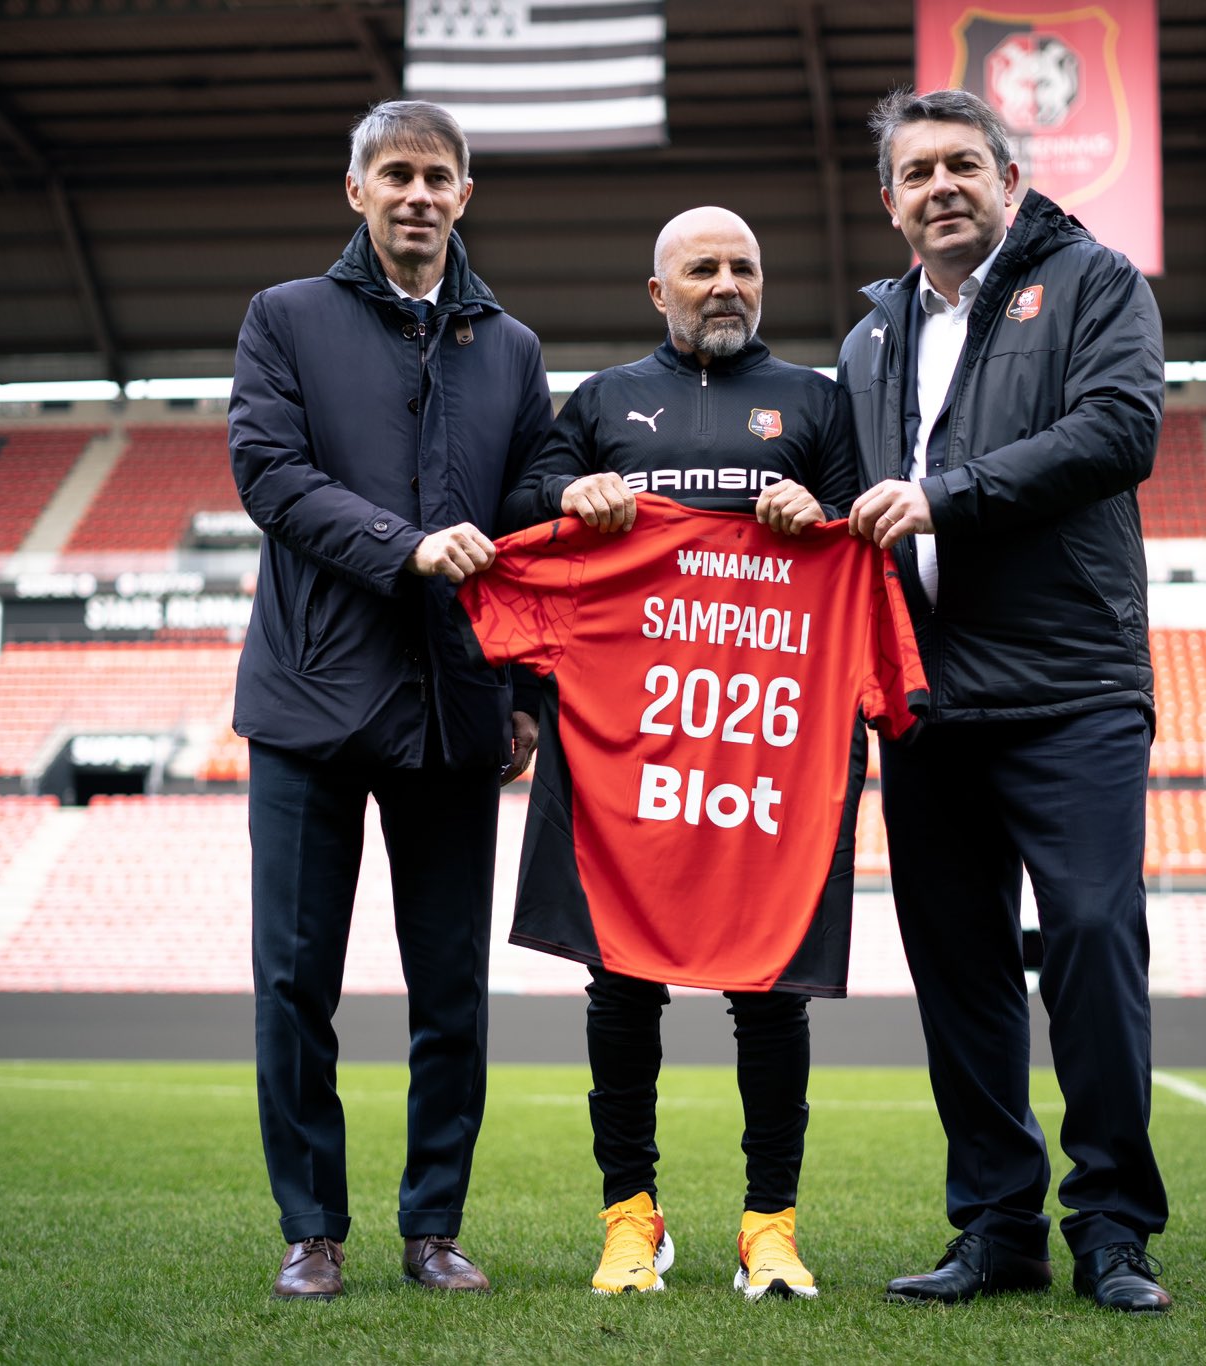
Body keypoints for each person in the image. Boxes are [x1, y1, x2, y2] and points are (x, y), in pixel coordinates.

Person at [838, 87, 1172, 1312]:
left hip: (1071, 680)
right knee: (958, 965)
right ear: (890, 204)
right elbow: (840, 497)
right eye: (916, 172)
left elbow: (1118, 431)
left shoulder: (1093, 282)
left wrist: (949, 494)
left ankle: (1113, 1228)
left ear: (1009, 179)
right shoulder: (869, 338)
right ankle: (994, 1224)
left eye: (962, 164)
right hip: (925, 700)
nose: (940, 186)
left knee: (1088, 934)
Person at [498, 207, 859, 1300]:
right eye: (699, 267)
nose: (724, 283)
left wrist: (826, 507)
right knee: (621, 984)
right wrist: (568, 492)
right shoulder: (602, 401)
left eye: (743, 266)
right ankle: (629, 1219)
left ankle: (770, 1225)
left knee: (770, 993)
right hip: (629, 748)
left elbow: (868, 535)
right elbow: (515, 516)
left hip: (763, 749)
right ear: (657, 291)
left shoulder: (818, 402)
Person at [227, 100, 553, 1301]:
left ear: (465, 197)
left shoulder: (511, 348)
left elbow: (526, 531)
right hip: (311, 703)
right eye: (396, 174)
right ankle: (311, 1227)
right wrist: (403, 546)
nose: (418, 195)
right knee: (294, 979)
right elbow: (268, 473)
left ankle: (432, 1228)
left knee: (450, 987)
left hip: (455, 709)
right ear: (356, 190)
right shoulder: (285, 317)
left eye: (439, 178)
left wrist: (522, 690)